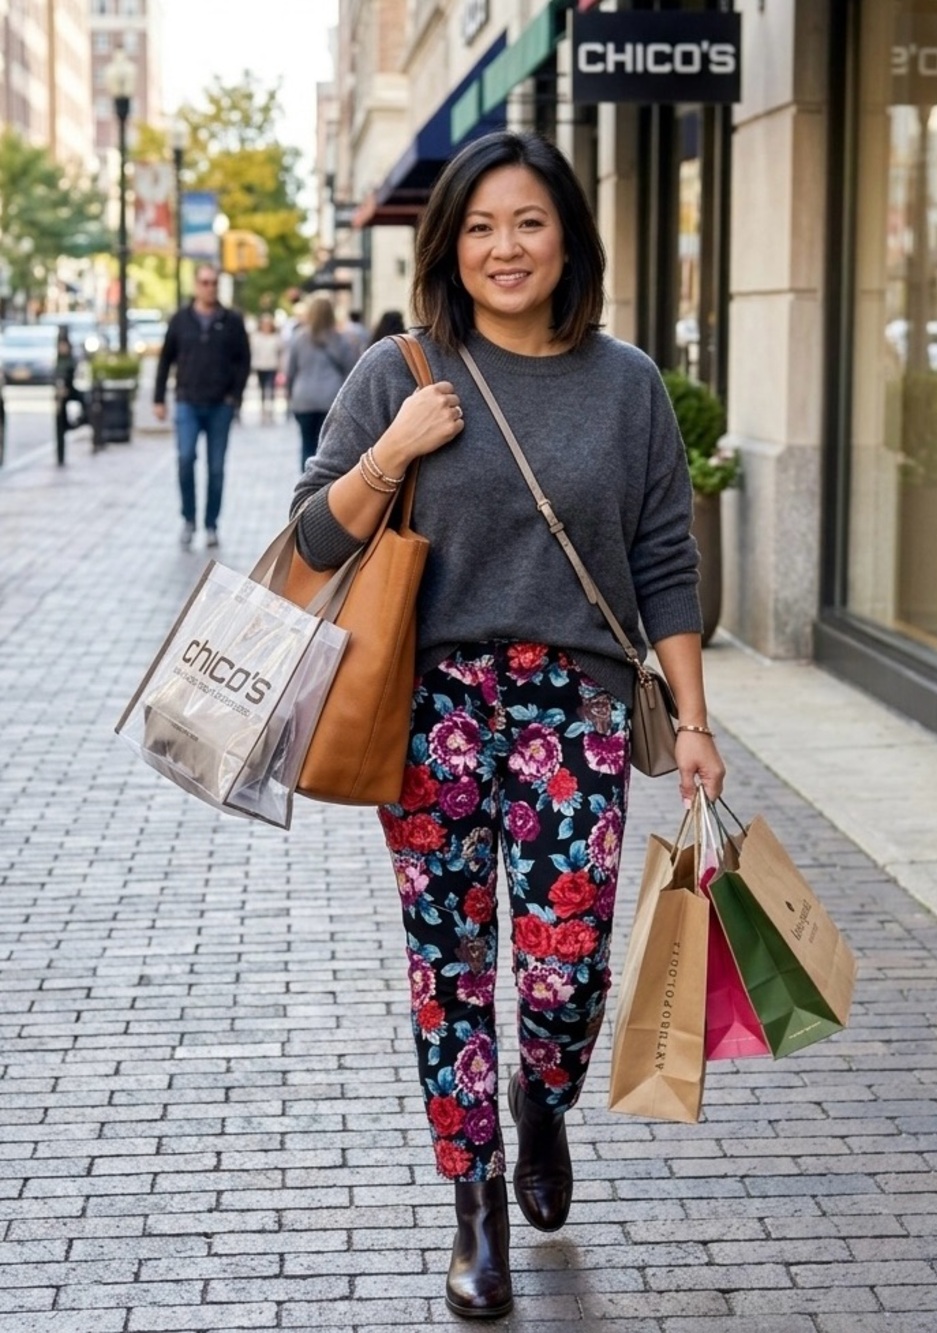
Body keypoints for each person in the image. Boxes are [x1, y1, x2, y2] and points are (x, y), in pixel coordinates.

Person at [289, 130, 726, 1320]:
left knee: (566, 970)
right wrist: (389, 451)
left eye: (527, 221)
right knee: (447, 968)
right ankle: (472, 1201)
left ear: (569, 236)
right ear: (449, 246)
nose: (503, 246)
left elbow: (664, 564)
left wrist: (690, 719)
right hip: (424, 707)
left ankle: (544, 1089)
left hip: (576, 710)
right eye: (479, 227)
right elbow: (311, 542)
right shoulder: (401, 369)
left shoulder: (628, 384)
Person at [153, 263, 251, 549]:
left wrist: (236, 397)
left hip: (220, 405)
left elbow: (243, 361)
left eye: (214, 283)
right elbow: (165, 360)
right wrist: (159, 398)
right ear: (196, 285)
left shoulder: (231, 320)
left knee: (216, 467)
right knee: (185, 460)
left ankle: (211, 524)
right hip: (187, 402)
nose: (210, 287)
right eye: (205, 282)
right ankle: (188, 519)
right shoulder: (180, 320)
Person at [285, 294, 359, 471]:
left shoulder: (298, 338)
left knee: (307, 444)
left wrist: (290, 394)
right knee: (326, 448)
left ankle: (306, 486)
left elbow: (291, 370)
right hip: (330, 399)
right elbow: (352, 372)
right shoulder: (340, 340)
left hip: (303, 398)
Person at [250, 312, 282, 423]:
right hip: (260, 365)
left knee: (271, 387)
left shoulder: (276, 337)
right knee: (263, 388)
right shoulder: (256, 337)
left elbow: (279, 352)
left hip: (272, 365)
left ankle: (271, 408)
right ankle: (263, 408)